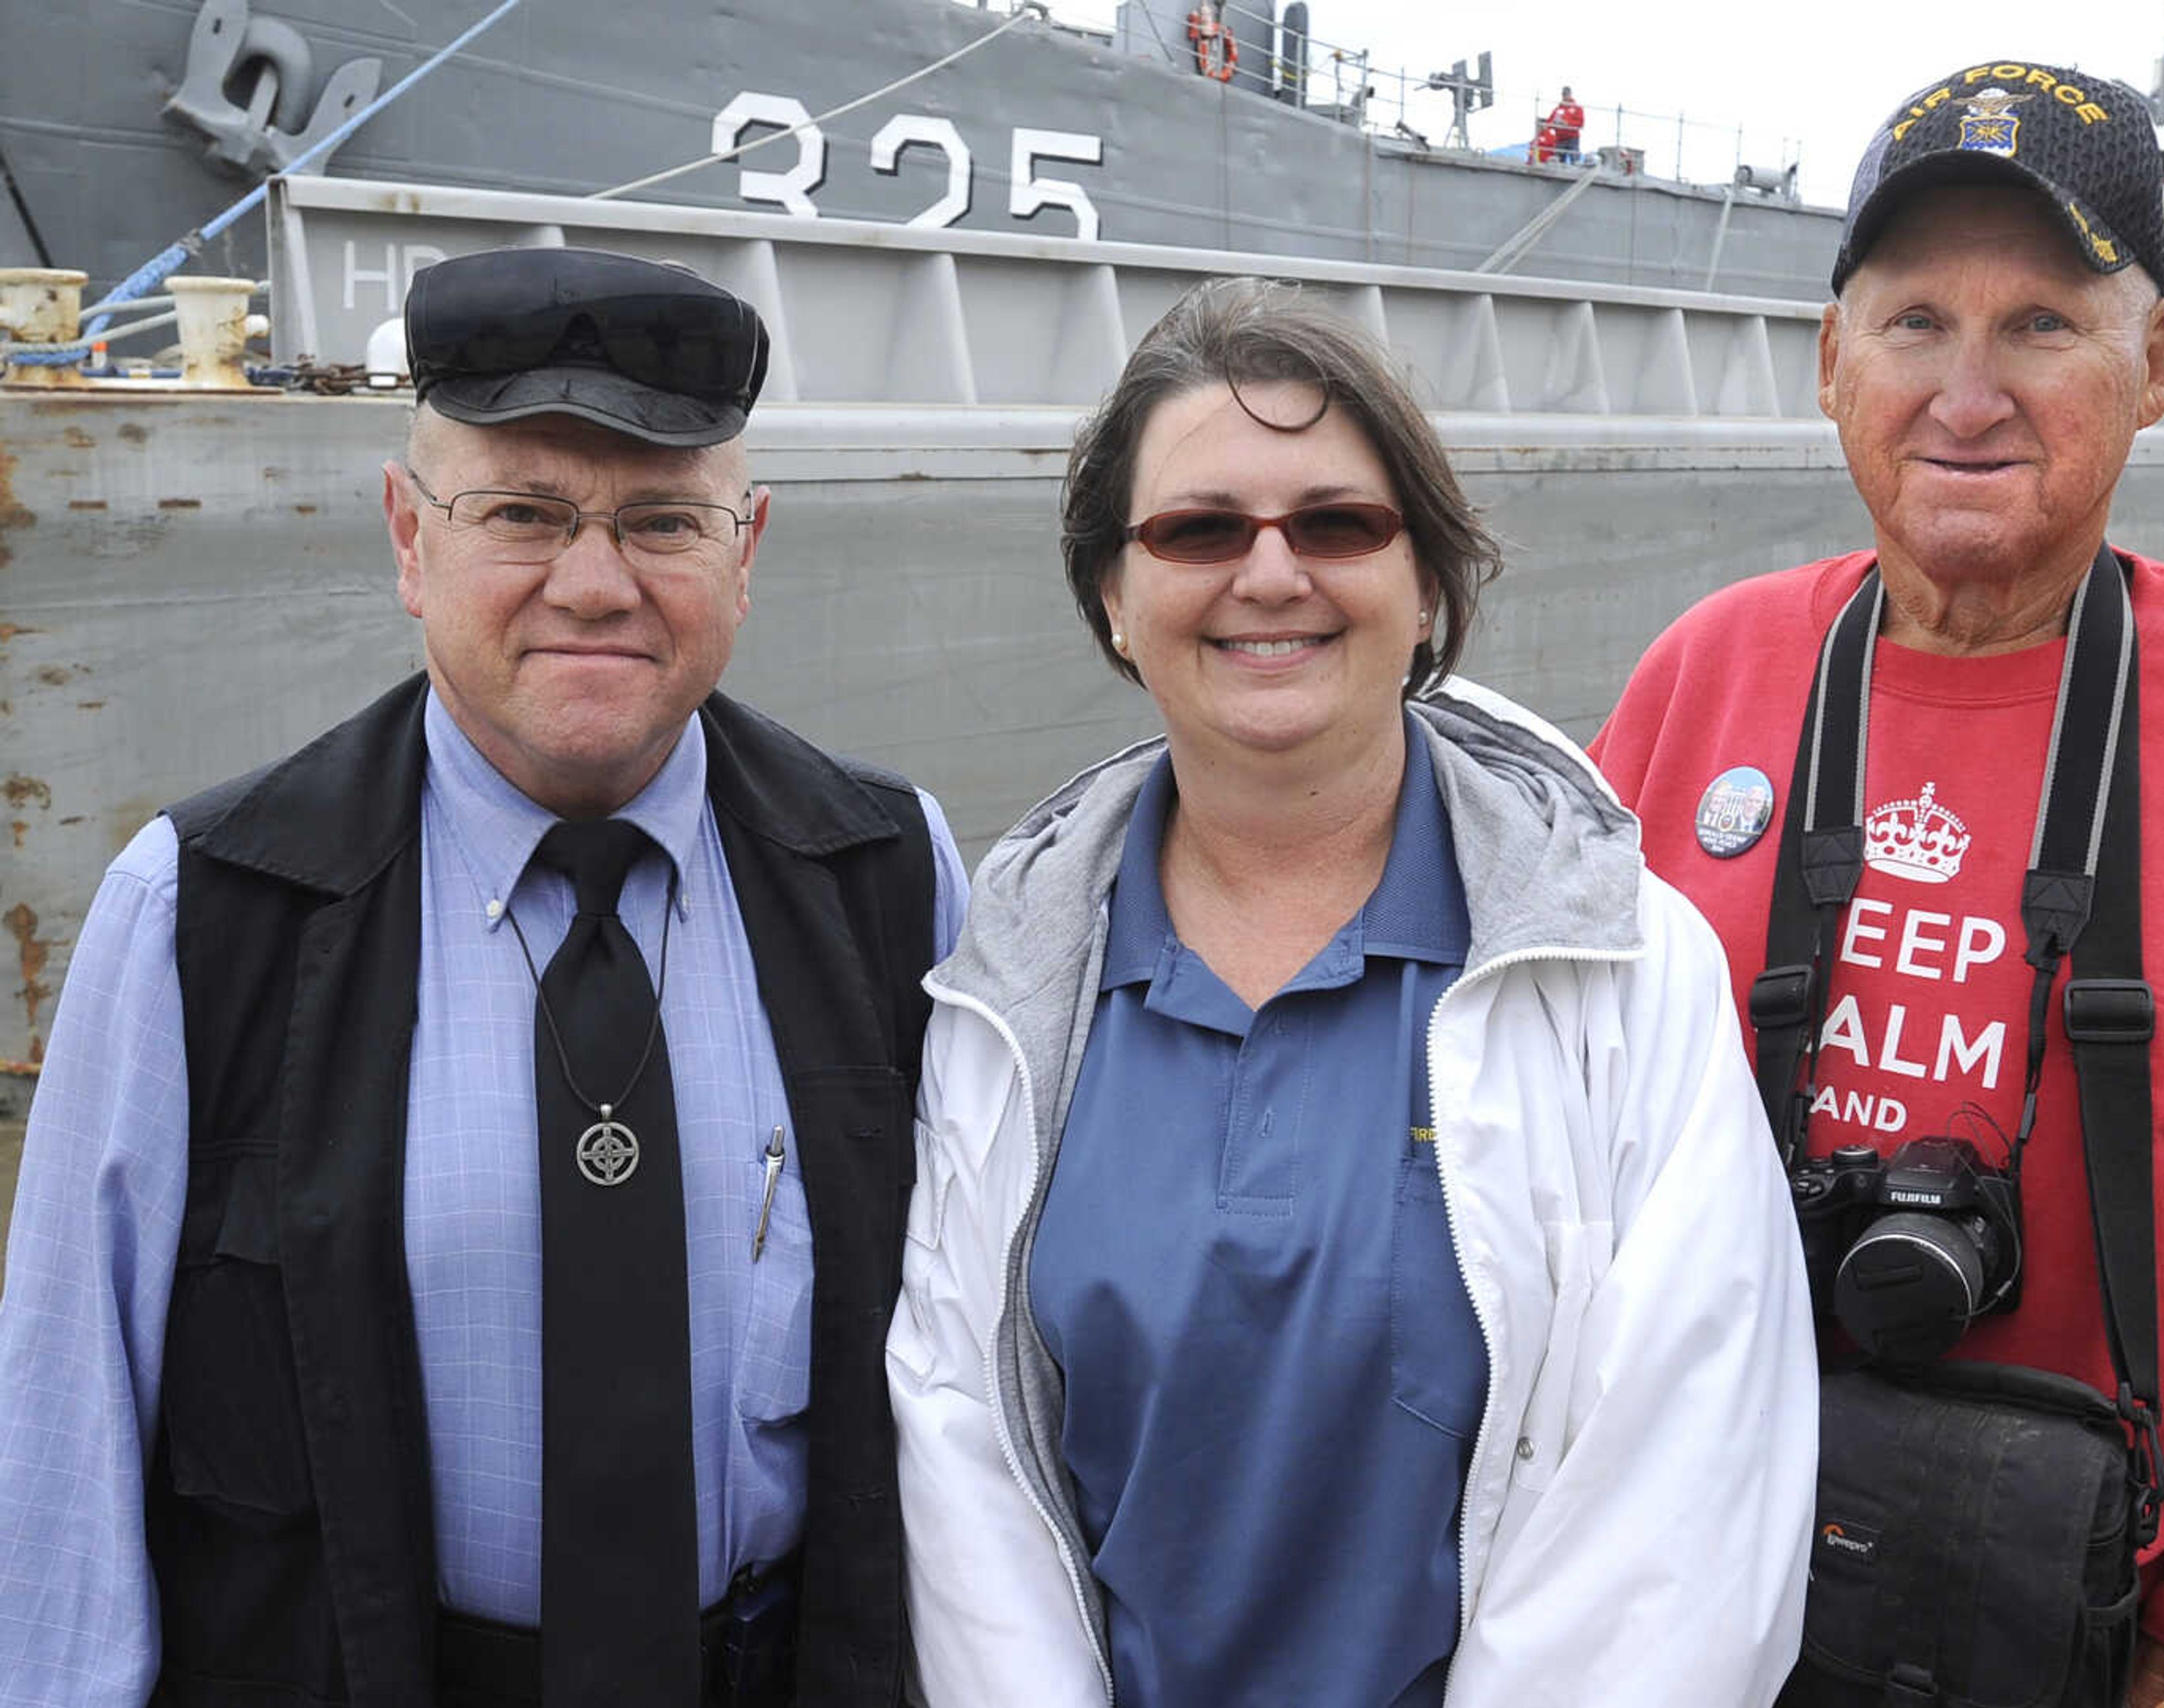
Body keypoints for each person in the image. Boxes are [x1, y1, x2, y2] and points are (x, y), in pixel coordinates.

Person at [1590, 62, 2164, 1708]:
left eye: (2040, 325)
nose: (1965, 392)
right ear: (1827, 363)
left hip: (2074, 1626)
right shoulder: (1701, 678)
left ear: (2150, 365)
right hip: (1668, 1593)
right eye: (1914, 320)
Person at [0, 247, 968, 1705]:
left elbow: (972, 1377)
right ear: (407, 535)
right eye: (523, 513)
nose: (594, 583)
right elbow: (65, 1440)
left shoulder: (887, 875)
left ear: (747, 549)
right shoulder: (203, 911)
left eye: (663, 520)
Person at [888, 277, 1815, 1707]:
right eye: (1200, 530)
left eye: (1337, 523)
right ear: (1114, 597)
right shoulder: (1009, 989)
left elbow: (1682, 1496)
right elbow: (965, 1455)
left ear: (1428, 582)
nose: (1271, 574)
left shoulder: (1628, 968)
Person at [1550, 85, 1586, 164]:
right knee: (1558, 164)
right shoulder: (1558, 109)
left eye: (1566, 94)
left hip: (1572, 139)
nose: (1565, 96)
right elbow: (1550, 121)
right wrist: (1554, 123)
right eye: (1563, 94)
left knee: (1575, 162)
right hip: (1560, 140)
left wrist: (1567, 123)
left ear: (1570, 95)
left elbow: (1581, 123)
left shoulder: (1577, 108)